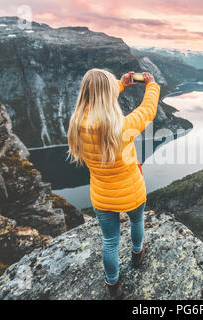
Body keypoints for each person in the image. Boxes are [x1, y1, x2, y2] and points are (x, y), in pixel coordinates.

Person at [67, 69, 160, 299]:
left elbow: (97, 98)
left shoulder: (77, 125)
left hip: (102, 195)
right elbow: (147, 111)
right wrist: (151, 86)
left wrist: (121, 84)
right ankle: (137, 254)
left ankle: (113, 285)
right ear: (108, 95)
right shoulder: (121, 128)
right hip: (131, 190)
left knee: (109, 241)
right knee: (137, 220)